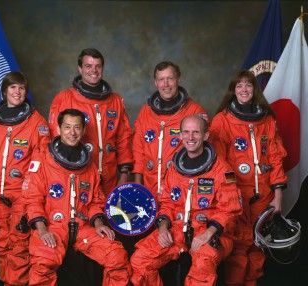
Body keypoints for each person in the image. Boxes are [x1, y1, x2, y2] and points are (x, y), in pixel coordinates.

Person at [130, 115, 242, 285]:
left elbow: (230, 211)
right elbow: (167, 202)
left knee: (202, 267)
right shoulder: (175, 167)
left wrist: (207, 234)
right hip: (177, 229)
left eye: (196, 132)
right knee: (140, 259)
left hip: (211, 232)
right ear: (180, 135)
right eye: (186, 132)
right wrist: (162, 228)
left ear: (205, 135)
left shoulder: (222, 171)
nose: (190, 138)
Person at [23, 109, 131, 285]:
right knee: (43, 261)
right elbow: (33, 199)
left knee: (116, 255)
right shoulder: (43, 161)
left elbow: (95, 201)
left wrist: (98, 224)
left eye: (77, 127)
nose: (72, 133)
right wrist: (42, 230)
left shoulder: (89, 166)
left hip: (83, 227)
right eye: (67, 127)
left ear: (82, 131)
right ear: (58, 128)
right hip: (53, 226)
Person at [209, 70, 288, 286]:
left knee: (258, 246)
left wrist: (278, 195)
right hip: (237, 197)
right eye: (239, 86)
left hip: (264, 196)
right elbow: (219, 164)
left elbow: (276, 157)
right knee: (239, 247)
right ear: (233, 91)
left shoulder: (267, 120)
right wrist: (230, 196)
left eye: (249, 85)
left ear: (254, 90)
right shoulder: (223, 120)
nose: (244, 90)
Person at [0, 71, 51, 285]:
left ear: (26, 92)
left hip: (22, 197)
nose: (17, 92)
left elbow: (41, 163)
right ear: (4, 91)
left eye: (22, 88)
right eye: (13, 87)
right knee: (0, 245)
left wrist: (29, 194)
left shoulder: (37, 123)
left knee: (19, 246)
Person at [49, 48, 133, 196]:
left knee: (107, 217)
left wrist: (125, 173)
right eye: (88, 66)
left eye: (98, 66)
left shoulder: (115, 101)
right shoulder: (65, 99)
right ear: (80, 68)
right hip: (78, 175)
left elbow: (123, 138)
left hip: (110, 177)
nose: (93, 70)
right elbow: (55, 141)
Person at [132, 61, 208, 200]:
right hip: (149, 187)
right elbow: (138, 149)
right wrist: (138, 183)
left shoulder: (194, 112)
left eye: (170, 78)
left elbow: (204, 154)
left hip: (180, 188)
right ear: (155, 82)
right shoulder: (146, 112)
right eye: (161, 79)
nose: (166, 84)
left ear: (179, 79)